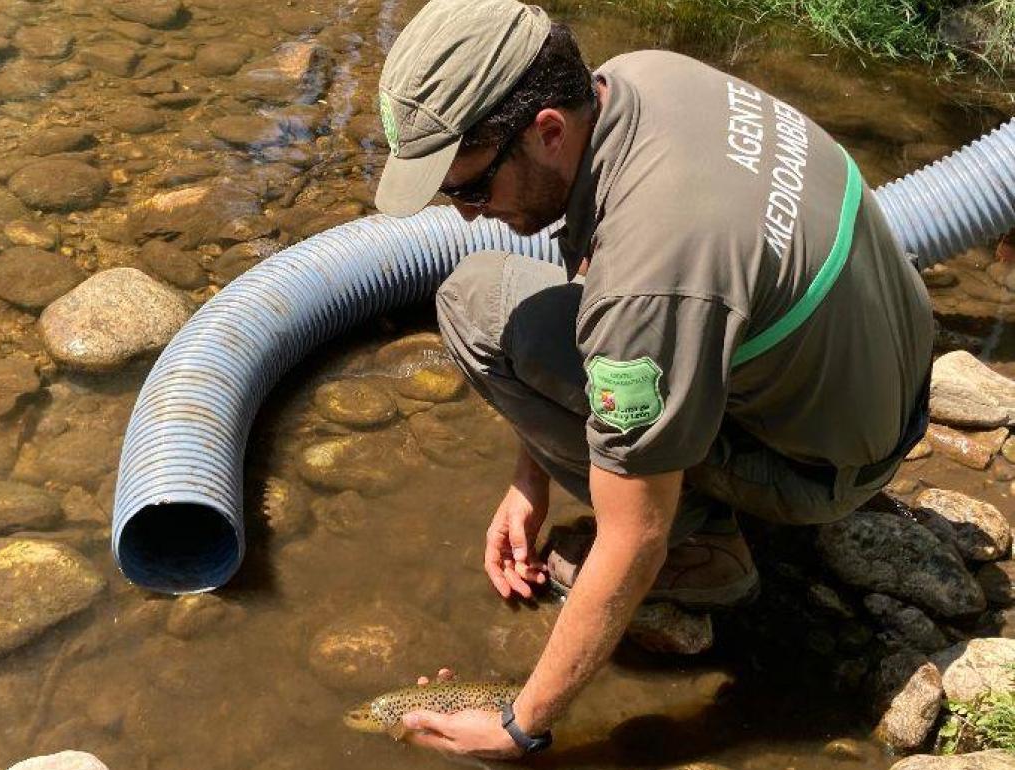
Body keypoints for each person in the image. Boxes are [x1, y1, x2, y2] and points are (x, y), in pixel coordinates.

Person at [372, 0, 934, 760]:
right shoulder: (636, 81)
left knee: (476, 313)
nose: (468, 216)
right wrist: (529, 477)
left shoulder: (649, 283)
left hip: (827, 469)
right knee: (483, 294)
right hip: (881, 380)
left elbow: (633, 535)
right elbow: (594, 281)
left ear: (547, 132)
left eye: (469, 190)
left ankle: (708, 558)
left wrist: (520, 724)